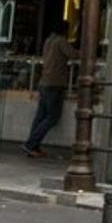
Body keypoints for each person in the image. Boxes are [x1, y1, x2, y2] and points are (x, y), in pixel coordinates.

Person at [23, 19, 77, 159]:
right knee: (52, 117)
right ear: (64, 30)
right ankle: (31, 144)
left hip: (44, 82)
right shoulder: (61, 41)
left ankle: (33, 146)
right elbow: (73, 55)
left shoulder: (48, 41)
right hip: (55, 83)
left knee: (40, 116)